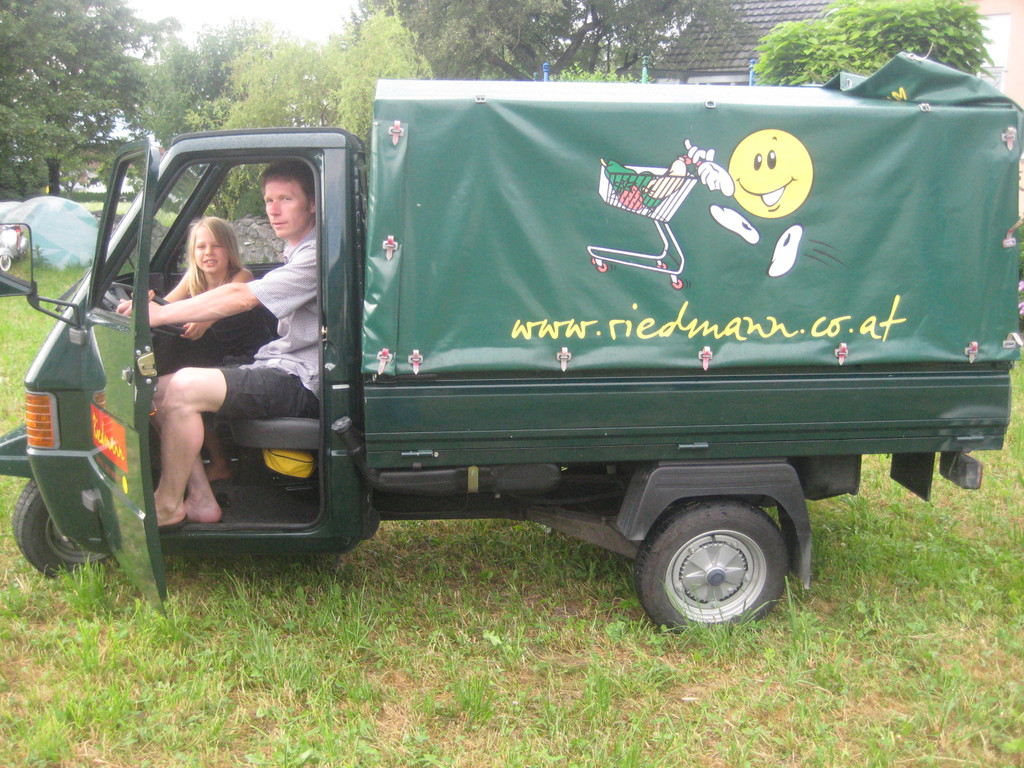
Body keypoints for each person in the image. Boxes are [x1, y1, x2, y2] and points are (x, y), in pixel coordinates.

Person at [122, 160, 320, 528]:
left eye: (286, 199)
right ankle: (199, 498)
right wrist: (156, 309)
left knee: (183, 385)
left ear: (312, 204)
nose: (274, 210)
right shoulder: (296, 250)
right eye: (269, 200)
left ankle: (167, 505)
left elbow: (241, 296)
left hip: (304, 379)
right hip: (278, 365)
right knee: (155, 392)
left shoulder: (317, 255)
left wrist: (158, 315)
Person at [147, 216, 275, 481]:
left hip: (251, 357)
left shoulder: (242, 276)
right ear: (193, 253)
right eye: (201, 247)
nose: (208, 253)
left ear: (230, 250)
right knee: (178, 368)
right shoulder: (193, 279)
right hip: (217, 352)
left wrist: (203, 321)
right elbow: (165, 307)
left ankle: (219, 462)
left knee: (190, 377)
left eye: (216, 246)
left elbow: (221, 307)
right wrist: (147, 305)